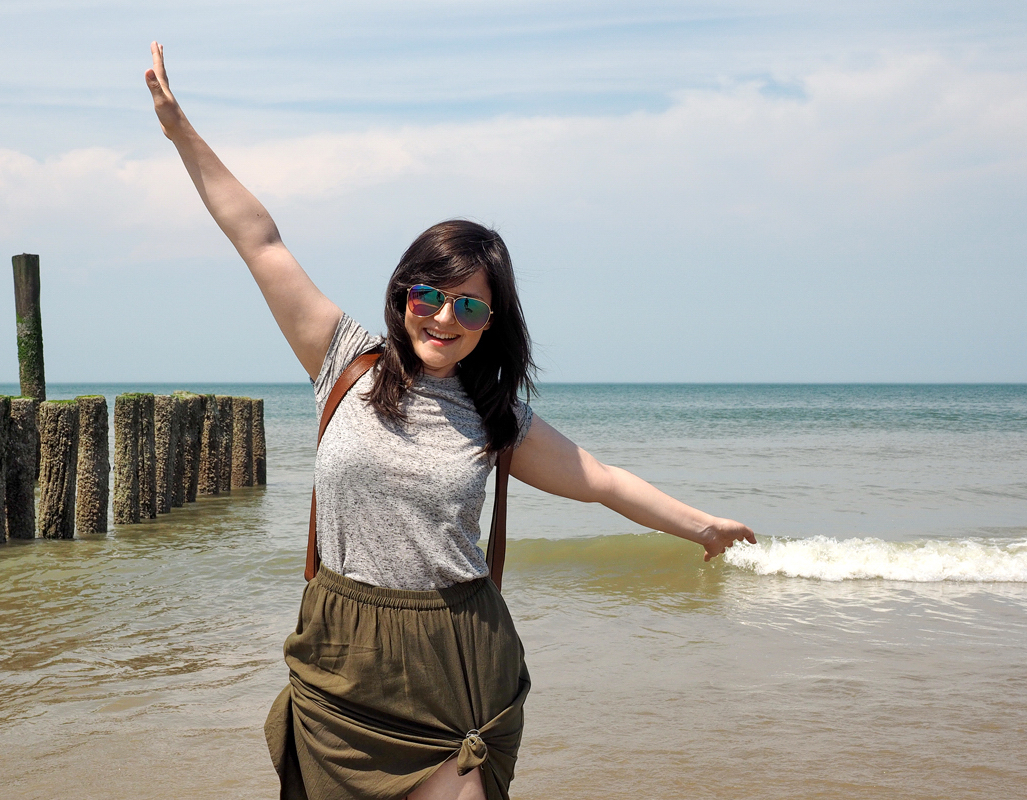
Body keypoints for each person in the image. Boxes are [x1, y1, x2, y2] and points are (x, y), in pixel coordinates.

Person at [145, 41, 756, 800]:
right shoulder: (344, 362)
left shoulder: (496, 417)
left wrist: (700, 525)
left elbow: (598, 479)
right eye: (427, 295)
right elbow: (259, 239)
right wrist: (180, 133)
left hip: (457, 657)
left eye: (468, 305)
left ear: (490, 322)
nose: (443, 317)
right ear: (402, 294)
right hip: (341, 649)